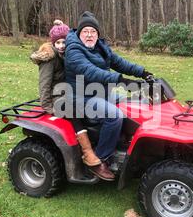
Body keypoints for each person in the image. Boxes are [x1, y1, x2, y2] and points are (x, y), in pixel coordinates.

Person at [64, 11, 153, 179]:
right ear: (79, 33)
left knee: (137, 102)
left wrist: (143, 73)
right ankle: (99, 158)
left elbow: (119, 62)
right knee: (114, 115)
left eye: (93, 32)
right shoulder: (73, 50)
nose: (89, 35)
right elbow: (91, 72)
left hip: (101, 94)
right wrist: (122, 81)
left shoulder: (100, 47)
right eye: (86, 32)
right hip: (79, 98)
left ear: (97, 34)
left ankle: (126, 142)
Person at [30, 20, 102, 170]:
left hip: (71, 91)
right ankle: (87, 151)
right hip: (58, 97)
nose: (61, 45)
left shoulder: (67, 54)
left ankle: (99, 141)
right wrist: (49, 108)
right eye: (58, 43)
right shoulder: (49, 58)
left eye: (64, 41)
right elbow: (44, 85)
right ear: (53, 43)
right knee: (73, 110)